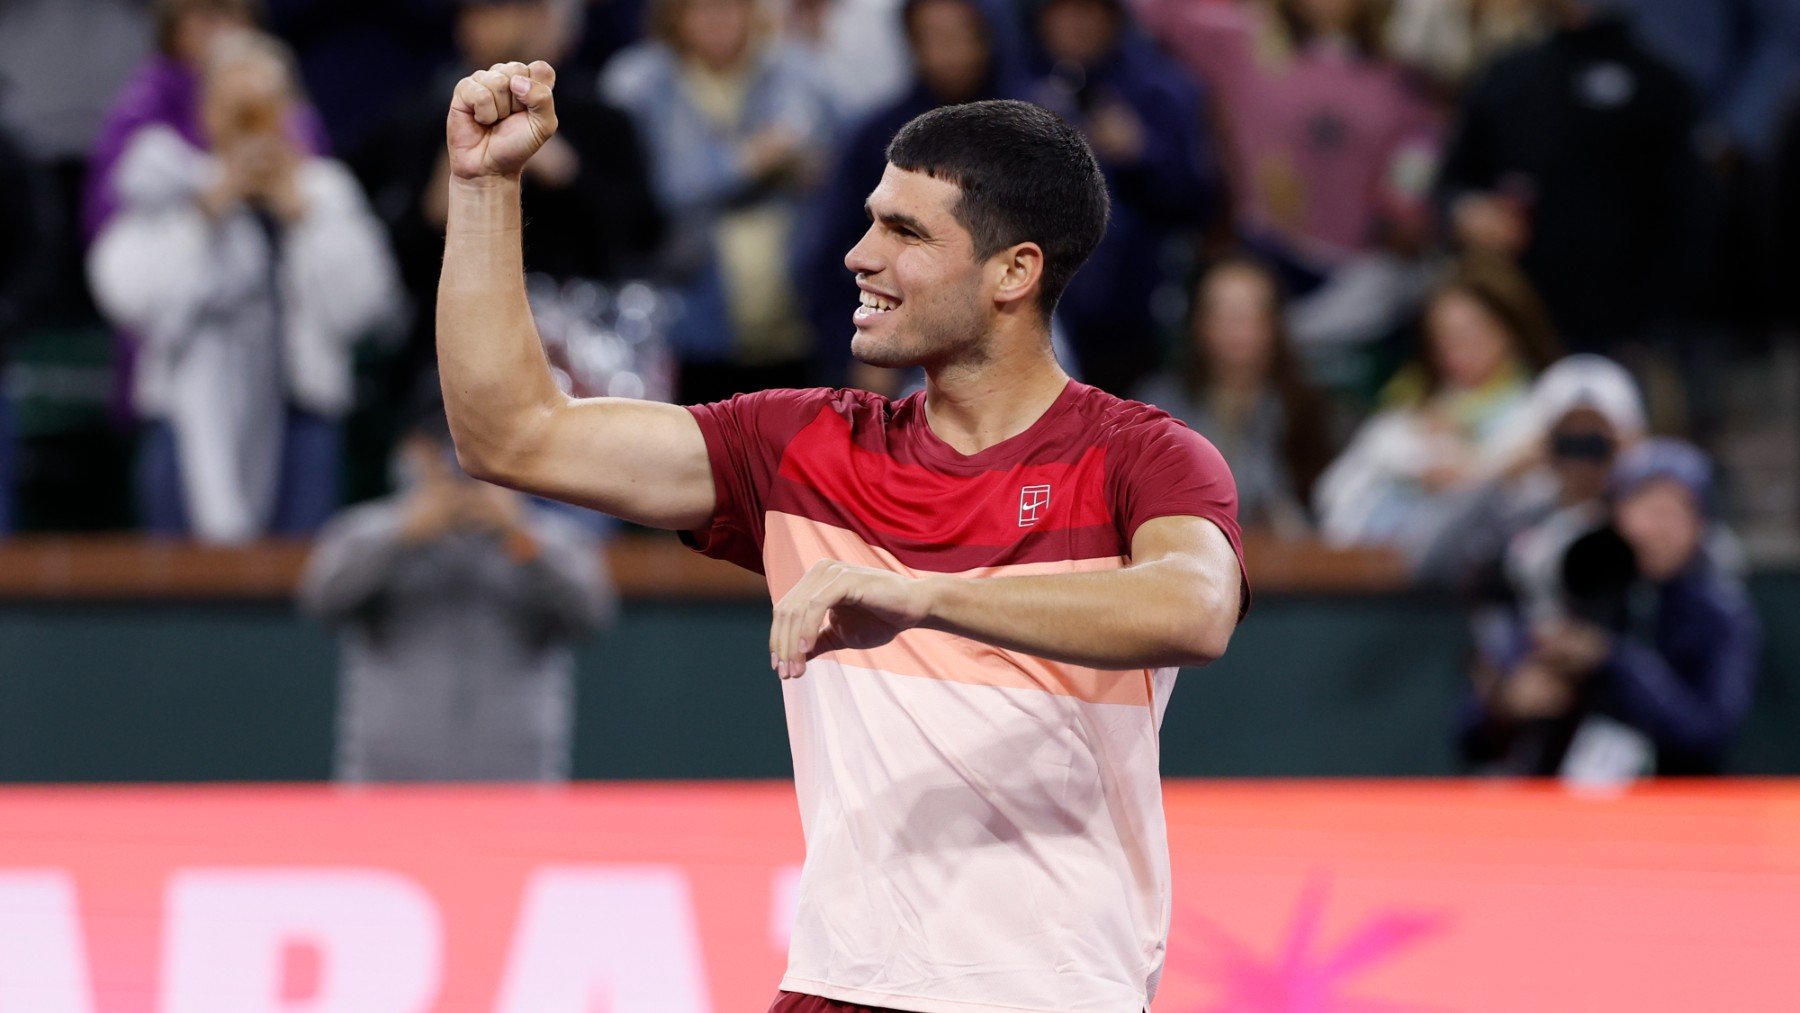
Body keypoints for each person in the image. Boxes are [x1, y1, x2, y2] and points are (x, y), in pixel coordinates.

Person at [437, 59, 1247, 1010]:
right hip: (838, 988)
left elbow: (1193, 607)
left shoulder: (1143, 456)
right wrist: (484, 188)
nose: (860, 254)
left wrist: (925, 596)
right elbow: (513, 434)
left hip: (1052, 990)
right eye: (869, 218)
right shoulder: (801, 448)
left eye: (904, 232)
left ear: (1014, 272)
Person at [87, 30, 401, 542]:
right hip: (183, 423)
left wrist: (303, 217)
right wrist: (207, 213)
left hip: (302, 417)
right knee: (180, 597)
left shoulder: (326, 191)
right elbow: (124, 295)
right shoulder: (176, 186)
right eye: (237, 110)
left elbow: (362, 309)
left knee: (295, 597)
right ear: (208, 112)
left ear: (290, 111)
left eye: (264, 108)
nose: (253, 127)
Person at [299, 397, 614, 782]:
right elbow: (322, 602)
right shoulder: (367, 530)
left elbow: (593, 614)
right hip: (390, 782)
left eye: (476, 449)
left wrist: (519, 536)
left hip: (514, 781)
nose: (460, 467)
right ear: (413, 452)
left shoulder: (546, 538)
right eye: (444, 449)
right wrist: (404, 535)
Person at [1463, 439, 1761, 781]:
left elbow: (1707, 735)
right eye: (1647, 509)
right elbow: (1471, 733)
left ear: (1700, 526)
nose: (1658, 529)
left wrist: (1610, 661)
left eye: (1675, 512)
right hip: (1554, 802)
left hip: (1672, 806)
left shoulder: (1718, 612)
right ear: (1615, 513)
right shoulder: (1569, 582)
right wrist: (1507, 704)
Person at [1434, 0, 1708, 353]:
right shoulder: (1508, 77)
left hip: (1640, 332)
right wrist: (1468, 212)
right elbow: (1452, 185)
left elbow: (1693, 216)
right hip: (1524, 329)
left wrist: (1665, 321)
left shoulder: (1663, 85)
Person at [602, 0, 838, 404]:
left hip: (790, 314)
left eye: (731, 8)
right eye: (703, 9)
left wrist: (809, 165)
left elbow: (833, 158)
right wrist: (746, 162)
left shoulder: (792, 71)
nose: (719, 21)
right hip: (686, 317)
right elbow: (652, 194)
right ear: (675, 16)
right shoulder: (638, 81)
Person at [797, 0, 1022, 389]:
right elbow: (835, 255)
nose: (948, 52)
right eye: (931, 38)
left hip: (1021, 345)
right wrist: (865, 344)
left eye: (958, 36)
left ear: (987, 37)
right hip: (905, 362)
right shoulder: (877, 138)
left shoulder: (1029, 133)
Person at [1023, 0, 1216, 397]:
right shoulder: (1017, 87)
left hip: (1138, 314)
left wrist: (1143, 154)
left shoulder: (1161, 88)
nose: (1074, 25)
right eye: (1061, 12)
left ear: (1113, 18)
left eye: (1087, 12)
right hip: (1034, 310)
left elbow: (1200, 202)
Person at [1314, 256, 1558, 550]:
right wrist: (1412, 462)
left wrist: (1474, 474)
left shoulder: (1547, 407)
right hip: (1395, 574)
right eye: (1443, 339)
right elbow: (1330, 495)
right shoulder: (1411, 414)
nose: (1456, 352)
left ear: (1510, 330)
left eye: (1471, 333)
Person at [1135, 256, 1336, 537]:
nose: (1237, 329)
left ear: (1275, 325)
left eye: (1251, 314)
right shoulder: (1157, 407)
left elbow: (1325, 512)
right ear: (1199, 324)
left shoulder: (1304, 410)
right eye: (1223, 314)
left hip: (1288, 567)